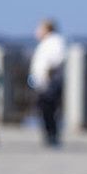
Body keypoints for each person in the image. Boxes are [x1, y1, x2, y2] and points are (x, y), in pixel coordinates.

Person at [30, 18, 66, 147]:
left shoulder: (55, 41)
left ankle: (52, 135)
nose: (37, 31)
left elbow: (57, 60)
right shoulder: (45, 42)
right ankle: (49, 135)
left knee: (49, 109)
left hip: (50, 82)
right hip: (42, 82)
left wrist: (48, 74)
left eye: (40, 28)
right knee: (45, 109)